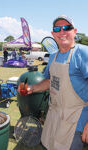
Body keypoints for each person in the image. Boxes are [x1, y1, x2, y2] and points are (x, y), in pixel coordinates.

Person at [18, 15, 88, 150]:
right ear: (53, 34)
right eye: (57, 28)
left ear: (75, 31)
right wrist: (31, 88)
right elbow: (50, 81)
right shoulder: (53, 56)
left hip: (76, 120)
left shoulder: (83, 53)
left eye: (67, 27)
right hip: (54, 115)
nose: (62, 32)